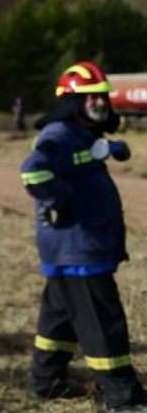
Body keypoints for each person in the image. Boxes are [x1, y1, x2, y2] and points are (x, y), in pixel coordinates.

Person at [20, 61, 147, 412]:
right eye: (90, 96)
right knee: (103, 322)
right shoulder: (59, 134)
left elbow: (83, 158)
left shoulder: (82, 135)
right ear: (72, 101)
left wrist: (114, 148)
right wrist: (61, 200)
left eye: (102, 96)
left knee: (59, 318)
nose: (99, 102)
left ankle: (47, 382)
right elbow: (33, 172)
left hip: (71, 250)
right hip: (79, 248)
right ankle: (124, 397)